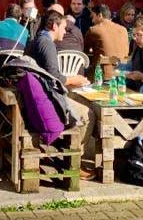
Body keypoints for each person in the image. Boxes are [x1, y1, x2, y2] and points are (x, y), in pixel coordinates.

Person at [25, 10, 96, 180]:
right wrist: (75, 79)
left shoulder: (39, 39)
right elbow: (55, 76)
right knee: (88, 114)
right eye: (63, 27)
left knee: (79, 103)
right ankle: (73, 163)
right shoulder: (46, 42)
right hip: (45, 98)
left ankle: (65, 157)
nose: (65, 32)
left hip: (39, 94)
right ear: (54, 25)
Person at [84, 4, 129, 81]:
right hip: (123, 74)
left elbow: (85, 51)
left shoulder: (94, 30)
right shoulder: (124, 29)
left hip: (104, 75)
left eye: (93, 17)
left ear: (100, 15)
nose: (92, 20)